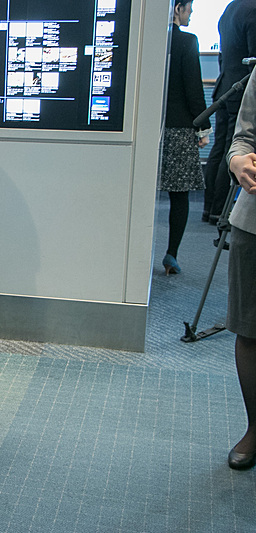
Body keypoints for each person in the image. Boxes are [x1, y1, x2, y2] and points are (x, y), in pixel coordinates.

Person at [158, 0, 210, 275]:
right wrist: (202, 129)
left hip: (149, 128)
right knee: (179, 196)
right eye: (189, 8)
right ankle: (171, 255)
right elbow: (194, 90)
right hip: (179, 130)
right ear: (178, 8)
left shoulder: (153, 41)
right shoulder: (188, 42)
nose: (191, 14)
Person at [224, 65, 256, 471]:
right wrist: (237, 161)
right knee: (249, 330)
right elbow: (243, 136)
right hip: (253, 222)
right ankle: (255, 428)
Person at [203, 0, 256, 225]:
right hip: (242, 91)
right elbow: (254, 58)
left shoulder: (231, 8)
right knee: (232, 151)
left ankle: (209, 209)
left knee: (219, 149)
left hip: (224, 87)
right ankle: (220, 213)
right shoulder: (253, 9)